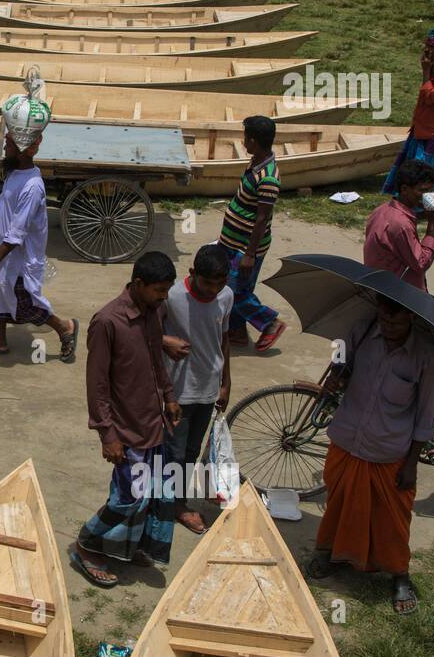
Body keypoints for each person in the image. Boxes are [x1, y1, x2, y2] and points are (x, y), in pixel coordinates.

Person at [308, 296, 434, 615]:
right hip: (348, 438)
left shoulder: (427, 356)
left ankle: (399, 576)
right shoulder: (363, 330)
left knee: (393, 521)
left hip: (389, 450)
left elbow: (426, 416)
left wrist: (411, 464)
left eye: (395, 322)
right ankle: (328, 553)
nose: (388, 326)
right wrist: (338, 374)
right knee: (338, 503)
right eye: (384, 319)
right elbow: (340, 355)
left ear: (410, 318)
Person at [70, 252, 182, 588]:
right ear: (137, 284)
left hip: (153, 422)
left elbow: (155, 360)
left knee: (152, 492)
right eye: (159, 290)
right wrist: (107, 434)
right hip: (126, 428)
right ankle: (87, 546)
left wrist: (169, 396)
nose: (164, 297)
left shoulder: (153, 311)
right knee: (128, 497)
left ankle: (127, 547)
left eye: (167, 290)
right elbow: (97, 384)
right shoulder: (107, 322)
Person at [0, 91, 78, 363]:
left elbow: (18, 231)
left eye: (10, 144)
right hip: (4, 253)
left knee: (24, 304)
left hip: (17, 256)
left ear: (26, 148)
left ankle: (65, 327)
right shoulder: (16, 172)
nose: (5, 145)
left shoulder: (32, 187)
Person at [160, 244, 232, 535]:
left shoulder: (226, 296)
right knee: (173, 451)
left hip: (208, 388)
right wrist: (165, 341)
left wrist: (226, 382)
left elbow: (224, 339)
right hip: (178, 390)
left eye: (220, 282)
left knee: (191, 449)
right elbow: (145, 330)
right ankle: (171, 504)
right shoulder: (173, 296)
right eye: (207, 283)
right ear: (192, 274)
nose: (213, 290)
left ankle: (177, 501)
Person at [217, 115, 287, 352]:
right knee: (234, 287)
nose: (243, 142)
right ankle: (236, 331)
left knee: (235, 292)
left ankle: (270, 323)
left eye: (245, 137)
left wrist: (249, 254)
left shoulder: (267, 177)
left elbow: (261, 218)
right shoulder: (256, 162)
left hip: (245, 246)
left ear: (254, 141)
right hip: (232, 240)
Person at [381, 28, 434, 200]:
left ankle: (415, 204)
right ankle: (432, 202)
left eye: (432, 47)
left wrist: (425, 71)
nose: (427, 51)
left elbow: (430, 97)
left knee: (419, 170)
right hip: (422, 126)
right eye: (426, 46)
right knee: (428, 169)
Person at [364, 160, 434, 292]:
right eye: (423, 191)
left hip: (377, 283)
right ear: (405, 189)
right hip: (396, 293)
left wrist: (427, 215)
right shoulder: (402, 225)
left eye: (431, 191)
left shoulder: (382, 210)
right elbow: (421, 263)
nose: (428, 196)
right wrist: (433, 223)